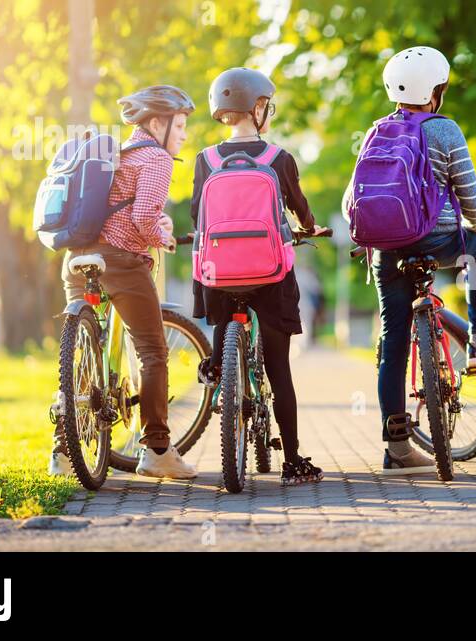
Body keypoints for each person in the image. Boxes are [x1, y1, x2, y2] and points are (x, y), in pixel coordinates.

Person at [345, 46, 476, 475]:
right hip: (437, 240)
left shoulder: (375, 131)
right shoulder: (445, 130)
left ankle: (397, 447)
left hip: (386, 249)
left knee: (394, 342)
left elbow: (352, 199)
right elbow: (471, 197)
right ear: (436, 90)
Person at [51, 85, 199, 479]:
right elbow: (142, 219)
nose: (184, 134)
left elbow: (122, 207)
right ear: (156, 123)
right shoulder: (155, 158)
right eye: (180, 125)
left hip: (78, 258)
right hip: (120, 262)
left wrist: (156, 225)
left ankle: (63, 452)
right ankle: (157, 450)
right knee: (153, 351)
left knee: (83, 349)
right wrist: (164, 237)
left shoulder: (117, 153)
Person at [191, 67, 329, 486]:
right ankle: (292, 461)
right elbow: (299, 210)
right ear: (257, 108)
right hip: (270, 274)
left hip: (218, 273)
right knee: (279, 368)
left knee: (223, 314)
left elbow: (199, 213)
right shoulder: (278, 159)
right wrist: (310, 227)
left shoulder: (206, 160)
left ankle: (218, 366)